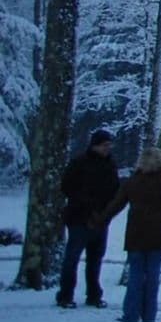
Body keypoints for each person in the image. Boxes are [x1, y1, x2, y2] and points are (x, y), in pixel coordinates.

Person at [94, 147, 161, 322]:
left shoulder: (132, 182)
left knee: (136, 275)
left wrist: (101, 219)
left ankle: (130, 313)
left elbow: (117, 204)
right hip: (157, 235)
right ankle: (149, 315)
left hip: (135, 234)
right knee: (152, 277)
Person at [56, 129, 120, 309]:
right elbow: (67, 187)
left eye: (109, 145)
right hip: (79, 217)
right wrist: (87, 205)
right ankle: (66, 294)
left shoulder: (110, 165)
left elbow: (115, 190)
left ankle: (93, 294)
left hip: (101, 218)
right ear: (95, 145)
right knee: (73, 257)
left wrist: (106, 212)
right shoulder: (79, 163)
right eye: (105, 145)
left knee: (95, 259)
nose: (108, 149)